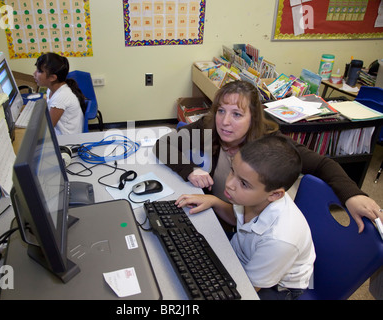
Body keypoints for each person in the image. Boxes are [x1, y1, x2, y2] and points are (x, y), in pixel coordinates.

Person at [153, 80, 383, 232]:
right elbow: (164, 144)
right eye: (221, 111)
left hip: (245, 227)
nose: (225, 121)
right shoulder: (210, 125)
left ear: (253, 118)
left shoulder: (272, 146)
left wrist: (352, 194)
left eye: (237, 114)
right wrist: (191, 170)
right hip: (218, 212)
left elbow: (322, 163)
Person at [175, 135, 316, 300]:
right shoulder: (255, 197)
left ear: (275, 194)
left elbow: (247, 290)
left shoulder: (280, 240)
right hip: (245, 256)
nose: (229, 184)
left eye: (243, 183)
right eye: (233, 171)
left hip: (273, 286)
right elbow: (239, 219)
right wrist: (214, 201)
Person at [33, 52, 86, 135]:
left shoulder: (61, 97)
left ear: (52, 78)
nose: (34, 73)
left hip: (66, 142)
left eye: (39, 71)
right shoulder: (52, 90)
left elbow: (46, 129)